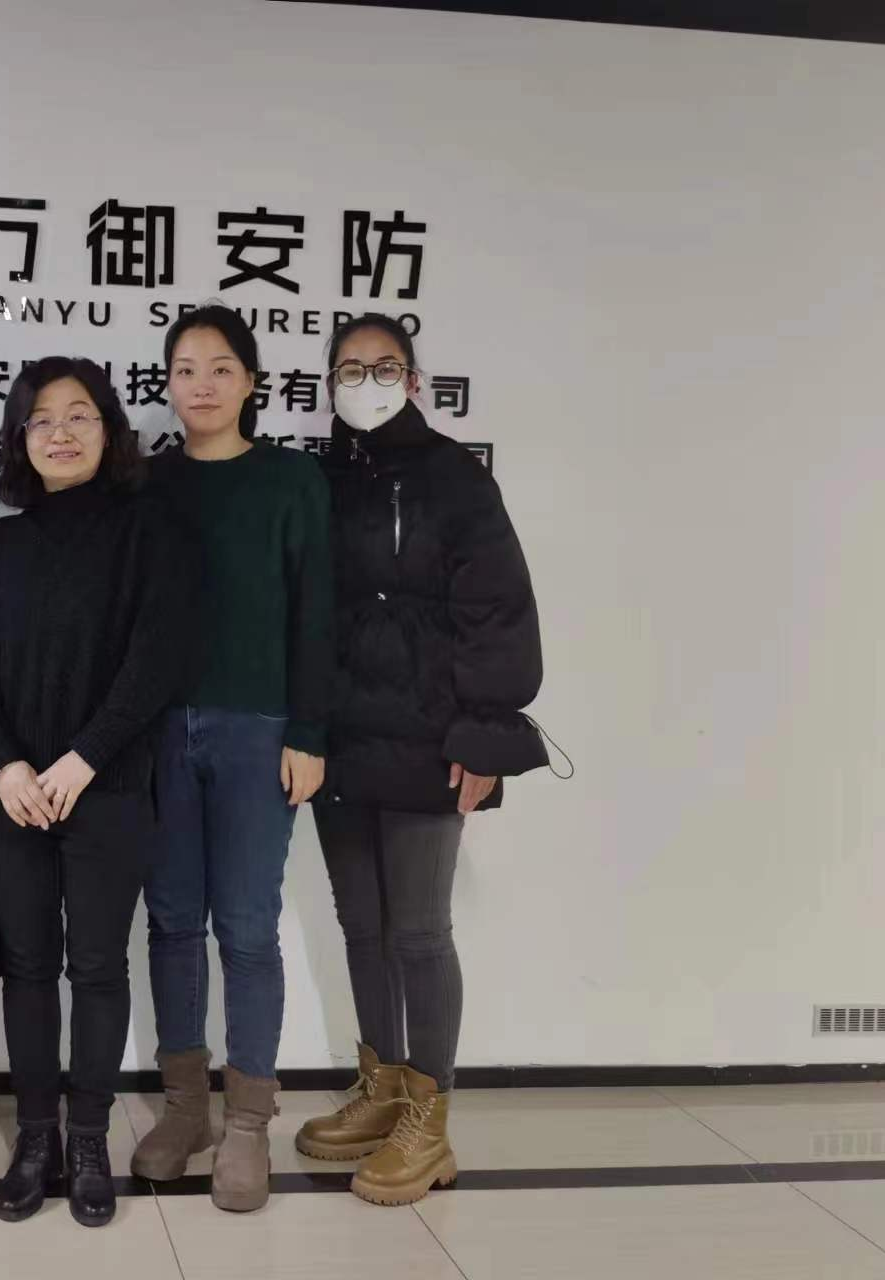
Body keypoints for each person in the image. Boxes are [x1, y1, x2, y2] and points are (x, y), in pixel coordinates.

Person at [295, 313, 545, 1206]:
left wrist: (485, 732)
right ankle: (382, 1088)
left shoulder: (454, 477)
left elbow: (499, 605)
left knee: (418, 931)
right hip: (339, 739)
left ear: (411, 381)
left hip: (430, 740)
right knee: (361, 925)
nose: (365, 382)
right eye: (349, 368)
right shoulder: (319, 479)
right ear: (328, 383)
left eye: (383, 366)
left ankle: (429, 1123)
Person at [0, 358, 195, 1228]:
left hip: (110, 785)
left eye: (79, 415)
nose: (60, 432)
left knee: (97, 967)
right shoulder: (1, 544)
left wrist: (83, 759)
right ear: (20, 438)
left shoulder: (149, 531)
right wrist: (6, 766)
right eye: (42, 419)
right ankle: (36, 1137)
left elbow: (157, 658)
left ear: (109, 429)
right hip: (14, 792)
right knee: (27, 967)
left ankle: (88, 1136)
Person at [133, 304, 334, 1213]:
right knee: (172, 920)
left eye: (220, 368)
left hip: (261, 728)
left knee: (247, 927)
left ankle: (248, 1121)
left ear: (251, 382)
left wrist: (311, 732)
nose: (202, 385)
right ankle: (186, 1108)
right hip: (160, 729)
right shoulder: (146, 482)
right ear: (168, 384)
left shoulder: (291, 479)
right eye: (185, 369)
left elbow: (316, 610)